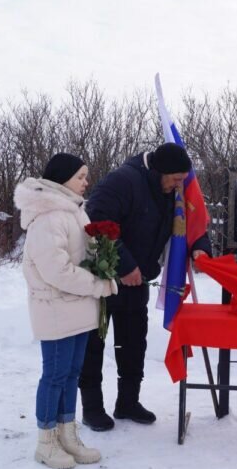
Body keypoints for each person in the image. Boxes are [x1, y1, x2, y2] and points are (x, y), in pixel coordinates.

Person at [79, 142, 211, 431]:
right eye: (176, 179)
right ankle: (92, 408)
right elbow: (97, 222)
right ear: (160, 171)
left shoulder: (170, 190)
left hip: (139, 279)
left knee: (134, 341)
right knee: (94, 344)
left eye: (182, 179)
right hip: (105, 279)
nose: (180, 185)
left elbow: (192, 220)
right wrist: (123, 266)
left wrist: (201, 248)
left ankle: (128, 402)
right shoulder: (122, 181)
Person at [14, 153, 117, 469]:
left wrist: (104, 264)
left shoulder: (73, 211)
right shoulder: (48, 216)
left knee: (72, 374)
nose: (87, 181)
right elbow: (56, 270)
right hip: (57, 309)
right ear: (63, 179)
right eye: (81, 176)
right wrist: (96, 285)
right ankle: (46, 441)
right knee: (55, 375)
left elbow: (82, 254)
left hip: (77, 309)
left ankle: (67, 433)